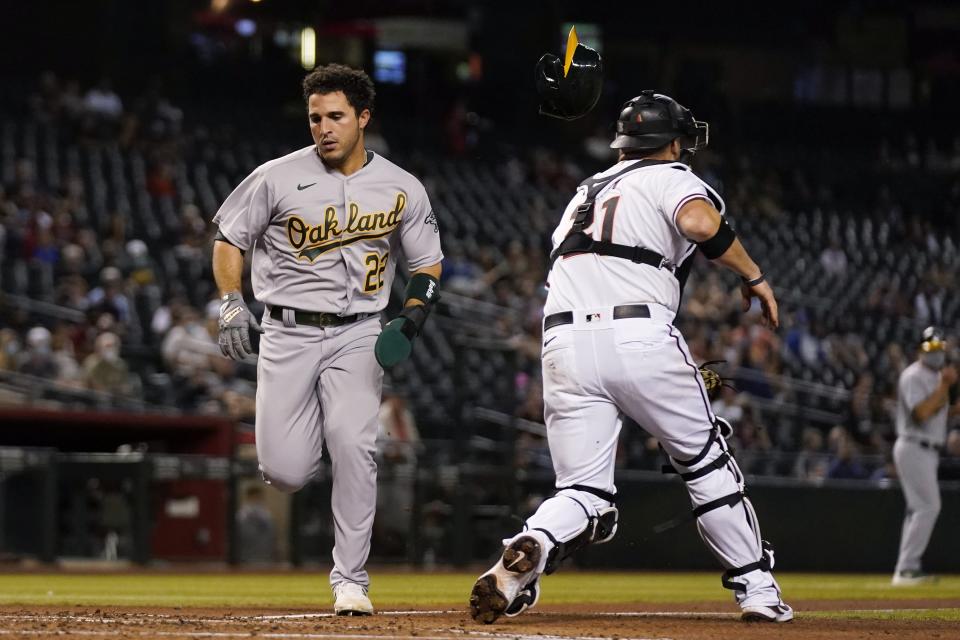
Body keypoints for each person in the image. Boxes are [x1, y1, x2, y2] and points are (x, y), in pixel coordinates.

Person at [470, 83, 792, 623]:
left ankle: (534, 545)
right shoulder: (673, 178)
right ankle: (756, 588)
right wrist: (753, 274)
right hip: (637, 334)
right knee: (704, 461)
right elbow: (697, 223)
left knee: (584, 492)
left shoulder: (584, 192)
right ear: (673, 144)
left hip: (563, 345)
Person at [211, 63, 443, 615]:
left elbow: (428, 266)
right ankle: (305, 438)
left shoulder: (402, 186)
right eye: (316, 117)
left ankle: (351, 581)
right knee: (286, 471)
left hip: (359, 332)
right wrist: (230, 302)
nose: (324, 127)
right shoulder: (276, 176)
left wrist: (409, 321)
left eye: (336, 115)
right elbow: (228, 239)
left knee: (356, 445)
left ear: (363, 117)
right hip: (286, 331)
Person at [891, 327, 958, 585]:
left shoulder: (936, 377)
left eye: (939, 349)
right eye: (931, 349)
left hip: (926, 449)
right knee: (928, 507)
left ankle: (907, 568)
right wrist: (945, 385)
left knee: (920, 508)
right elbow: (920, 414)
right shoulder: (913, 375)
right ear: (920, 350)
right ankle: (906, 569)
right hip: (913, 445)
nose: (936, 354)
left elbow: (940, 410)